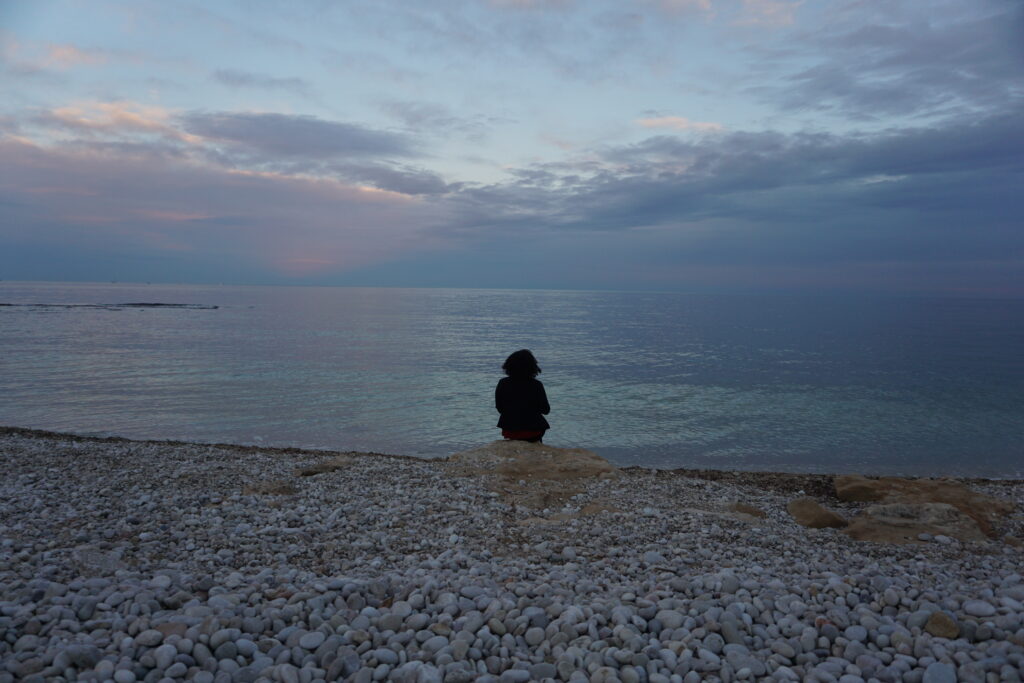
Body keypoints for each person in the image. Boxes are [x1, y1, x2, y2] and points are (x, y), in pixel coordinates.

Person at [495, 349, 550, 442]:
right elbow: (546, 410)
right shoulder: (536, 385)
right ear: (532, 367)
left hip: (509, 430)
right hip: (533, 431)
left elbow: (499, 407)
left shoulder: (503, 383)